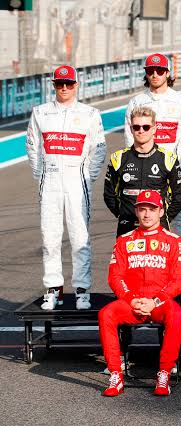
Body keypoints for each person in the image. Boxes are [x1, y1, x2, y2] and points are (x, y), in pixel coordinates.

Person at [25, 65, 107, 310]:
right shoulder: (40, 112)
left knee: (80, 237)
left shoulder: (90, 113)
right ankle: (53, 289)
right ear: (53, 85)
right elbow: (32, 147)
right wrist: (42, 175)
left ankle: (82, 290)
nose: (64, 88)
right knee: (49, 238)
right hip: (49, 181)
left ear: (76, 85)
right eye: (59, 84)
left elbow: (98, 149)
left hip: (76, 182)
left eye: (68, 83)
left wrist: (86, 177)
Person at [124, 53, 181, 307]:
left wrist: (175, 168)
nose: (155, 74)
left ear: (168, 73)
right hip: (143, 182)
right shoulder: (136, 102)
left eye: (159, 70)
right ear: (146, 73)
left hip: (173, 179)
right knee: (143, 233)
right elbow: (130, 140)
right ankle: (146, 287)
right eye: (150, 70)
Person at [99, 190, 181, 397]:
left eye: (152, 209)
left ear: (161, 211)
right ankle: (116, 374)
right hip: (133, 302)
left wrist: (155, 301)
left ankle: (164, 373)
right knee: (106, 314)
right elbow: (115, 277)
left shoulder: (175, 241)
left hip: (160, 303)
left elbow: (179, 280)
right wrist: (132, 300)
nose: (147, 214)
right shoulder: (124, 240)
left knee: (177, 315)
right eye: (142, 209)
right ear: (136, 212)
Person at [104, 106, 181, 236]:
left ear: (154, 129)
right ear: (131, 129)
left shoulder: (168, 159)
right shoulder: (118, 158)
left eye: (146, 127)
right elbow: (109, 195)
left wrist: (162, 217)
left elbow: (179, 196)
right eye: (136, 127)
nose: (141, 131)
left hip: (159, 227)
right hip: (127, 226)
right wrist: (124, 214)